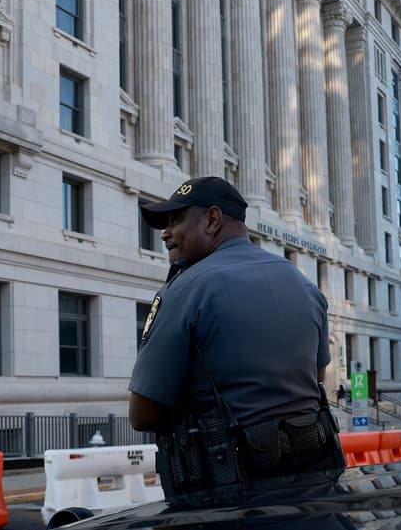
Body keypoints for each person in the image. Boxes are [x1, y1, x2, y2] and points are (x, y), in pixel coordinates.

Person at [129, 176, 345, 508]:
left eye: (176, 220)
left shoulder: (185, 290)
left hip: (224, 510)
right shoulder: (304, 285)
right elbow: (315, 378)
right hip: (313, 495)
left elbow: (143, 414)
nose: (165, 232)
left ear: (212, 220)